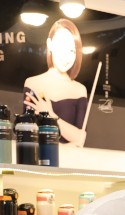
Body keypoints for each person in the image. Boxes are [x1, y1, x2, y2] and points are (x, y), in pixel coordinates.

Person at [24, 19, 89, 147]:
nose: (66, 56)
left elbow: (80, 140)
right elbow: (28, 136)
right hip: (40, 159)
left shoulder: (80, 90)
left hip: (71, 160)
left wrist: (50, 114)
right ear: (50, 44)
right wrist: (67, 145)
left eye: (72, 51)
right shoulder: (32, 84)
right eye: (62, 48)